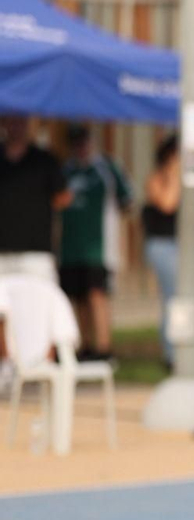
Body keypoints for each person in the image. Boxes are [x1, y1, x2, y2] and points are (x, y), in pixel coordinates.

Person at [57, 124, 132, 360]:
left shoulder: (106, 168)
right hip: (69, 247)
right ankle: (85, 345)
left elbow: (127, 201)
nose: (80, 147)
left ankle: (103, 347)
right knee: (77, 296)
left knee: (97, 294)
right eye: (75, 143)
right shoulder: (65, 171)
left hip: (98, 248)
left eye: (84, 141)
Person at [0, 114, 70, 281]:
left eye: (20, 121)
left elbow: (63, 197)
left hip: (36, 254)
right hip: (2, 252)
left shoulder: (45, 159)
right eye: (11, 120)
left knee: (38, 305)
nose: (16, 126)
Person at [142, 135, 182, 368]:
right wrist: (174, 175)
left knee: (181, 298)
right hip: (163, 245)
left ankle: (183, 348)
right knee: (172, 298)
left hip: (182, 245)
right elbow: (168, 204)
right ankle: (171, 354)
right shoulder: (157, 179)